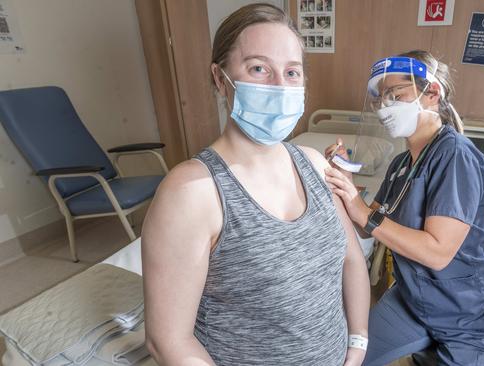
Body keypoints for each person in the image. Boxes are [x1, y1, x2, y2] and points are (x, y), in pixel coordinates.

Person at [142, 4, 369, 366]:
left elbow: (352, 260)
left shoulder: (312, 164)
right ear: (221, 78)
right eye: (259, 68)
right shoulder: (192, 191)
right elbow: (168, 340)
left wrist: (357, 345)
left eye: (292, 72)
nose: (280, 86)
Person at [325, 50, 484, 366]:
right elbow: (366, 224)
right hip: (414, 299)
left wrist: (361, 211)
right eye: (381, 99)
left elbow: (437, 253)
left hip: (469, 317)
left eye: (396, 95)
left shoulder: (455, 156)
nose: (386, 107)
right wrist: (345, 185)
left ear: (432, 94)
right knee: (344, 356)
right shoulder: (402, 164)